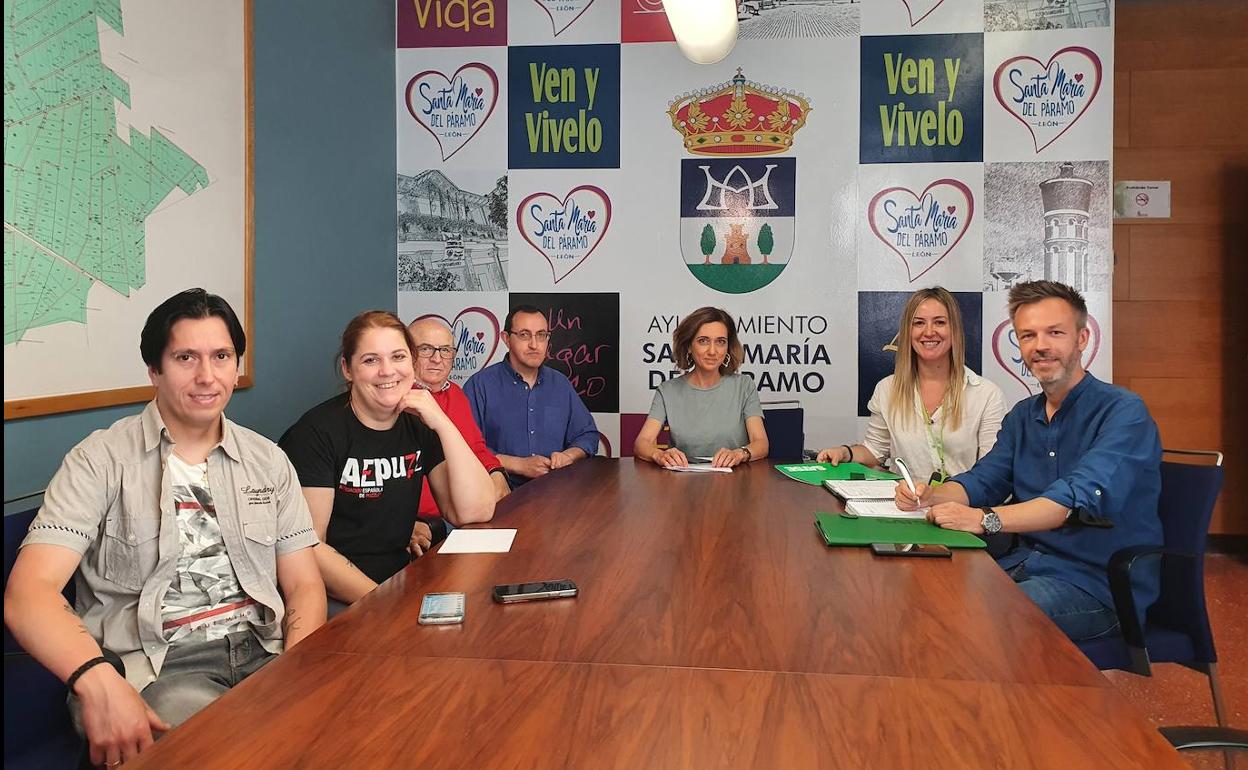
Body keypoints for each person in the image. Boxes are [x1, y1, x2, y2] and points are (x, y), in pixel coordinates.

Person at [3, 289, 326, 767]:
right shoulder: (99, 460)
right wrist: (97, 680)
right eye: (185, 358)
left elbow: (303, 583)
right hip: (156, 670)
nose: (207, 376)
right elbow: (28, 591)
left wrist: (299, 674)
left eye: (221, 356)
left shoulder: (268, 460)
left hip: (265, 652)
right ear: (154, 369)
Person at [897, 281, 1162, 641]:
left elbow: (1070, 502)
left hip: (1097, 588)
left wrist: (985, 519)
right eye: (1028, 335)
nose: (1040, 346)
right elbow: (984, 480)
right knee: (926, 597)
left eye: (1054, 333)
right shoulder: (1023, 416)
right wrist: (931, 496)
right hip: (1025, 566)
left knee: (974, 620)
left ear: (1082, 339)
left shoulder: (1123, 412)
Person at [279, 311, 494, 611]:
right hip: (337, 594)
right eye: (371, 360)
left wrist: (443, 423)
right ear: (347, 368)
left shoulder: (418, 423)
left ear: (412, 364)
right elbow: (309, 548)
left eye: (398, 357)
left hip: (401, 580)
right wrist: (385, 601)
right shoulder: (315, 434)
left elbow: (476, 510)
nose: (387, 371)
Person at [817, 287, 1005, 484]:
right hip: (900, 507)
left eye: (939, 322)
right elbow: (874, 450)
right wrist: (844, 452)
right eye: (919, 323)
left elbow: (990, 472)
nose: (929, 332)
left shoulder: (987, 395)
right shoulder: (887, 389)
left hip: (958, 509)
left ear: (954, 330)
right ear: (908, 331)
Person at [464, 305, 599, 486]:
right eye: (524, 335)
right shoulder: (479, 385)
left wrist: (568, 455)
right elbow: (465, 448)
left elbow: (588, 435)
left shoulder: (560, 383)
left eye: (541, 335)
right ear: (506, 339)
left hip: (556, 493)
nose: (534, 345)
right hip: (499, 495)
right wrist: (518, 465)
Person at [407, 317, 511, 535]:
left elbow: (477, 447)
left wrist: (496, 472)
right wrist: (406, 524)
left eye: (445, 350)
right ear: (407, 353)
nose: (437, 359)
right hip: (432, 521)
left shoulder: (455, 392)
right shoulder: (400, 401)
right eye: (426, 349)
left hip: (470, 514)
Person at [634, 306, 769, 468]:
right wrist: (660, 455)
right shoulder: (667, 390)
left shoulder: (744, 385)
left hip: (735, 480)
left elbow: (761, 443)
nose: (712, 351)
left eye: (720, 342)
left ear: (727, 347)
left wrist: (739, 453)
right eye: (703, 341)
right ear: (689, 346)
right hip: (682, 483)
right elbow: (642, 443)